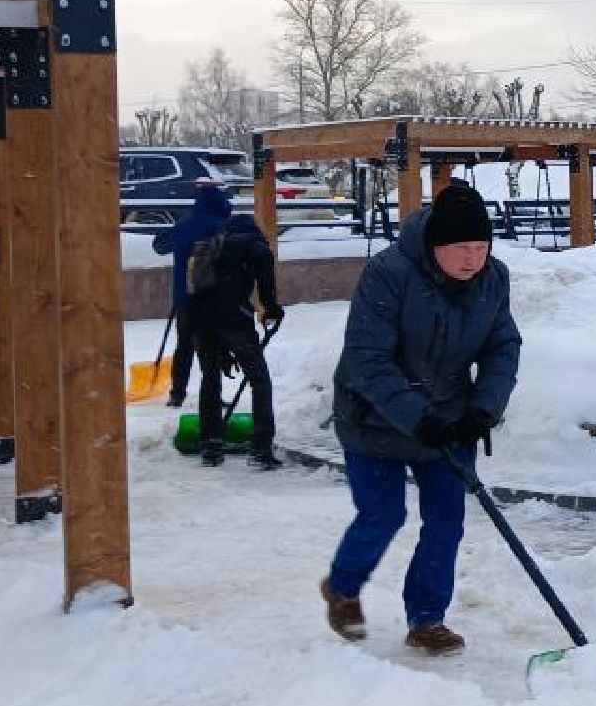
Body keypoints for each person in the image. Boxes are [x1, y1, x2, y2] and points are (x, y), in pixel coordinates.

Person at [321, 182, 522, 657]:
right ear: (435, 244)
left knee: (446, 522)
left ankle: (427, 619)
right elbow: (367, 360)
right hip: (373, 418)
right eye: (460, 248)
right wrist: (418, 416)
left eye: (481, 246)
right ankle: (343, 588)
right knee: (384, 514)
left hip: (448, 420)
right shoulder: (389, 274)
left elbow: (502, 347)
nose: (472, 258)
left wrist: (483, 409)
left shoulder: (494, 279)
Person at [186, 209, 282, 469]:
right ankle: (261, 448)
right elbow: (266, 288)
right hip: (233, 321)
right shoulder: (256, 247)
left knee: (210, 378)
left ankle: (211, 445)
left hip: (200, 321)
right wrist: (273, 310)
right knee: (259, 380)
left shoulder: (215, 245)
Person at [150, 182, 230, 409]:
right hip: (212, 297)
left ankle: (177, 394)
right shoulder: (221, 225)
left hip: (184, 296)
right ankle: (213, 394)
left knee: (184, 346)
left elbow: (159, 245)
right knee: (211, 348)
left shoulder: (186, 224)